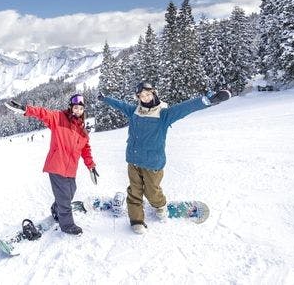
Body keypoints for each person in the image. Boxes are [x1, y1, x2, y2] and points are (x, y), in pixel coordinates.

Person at [98, 82, 231, 234]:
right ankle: (136, 220)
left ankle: (160, 206)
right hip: (133, 160)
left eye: (147, 94)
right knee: (134, 191)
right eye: (141, 96)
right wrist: (105, 98)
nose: (145, 98)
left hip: (153, 163)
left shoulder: (163, 115)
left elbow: (184, 108)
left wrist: (206, 101)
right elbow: (120, 104)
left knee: (152, 192)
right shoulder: (134, 111)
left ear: (153, 93)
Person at [5, 93, 100, 236]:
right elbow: (44, 113)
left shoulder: (83, 131)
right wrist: (26, 109)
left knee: (70, 192)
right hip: (56, 165)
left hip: (70, 169)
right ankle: (67, 225)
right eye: (75, 107)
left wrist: (91, 166)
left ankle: (57, 209)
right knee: (64, 198)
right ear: (70, 107)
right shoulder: (59, 118)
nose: (78, 111)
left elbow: (86, 150)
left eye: (81, 109)